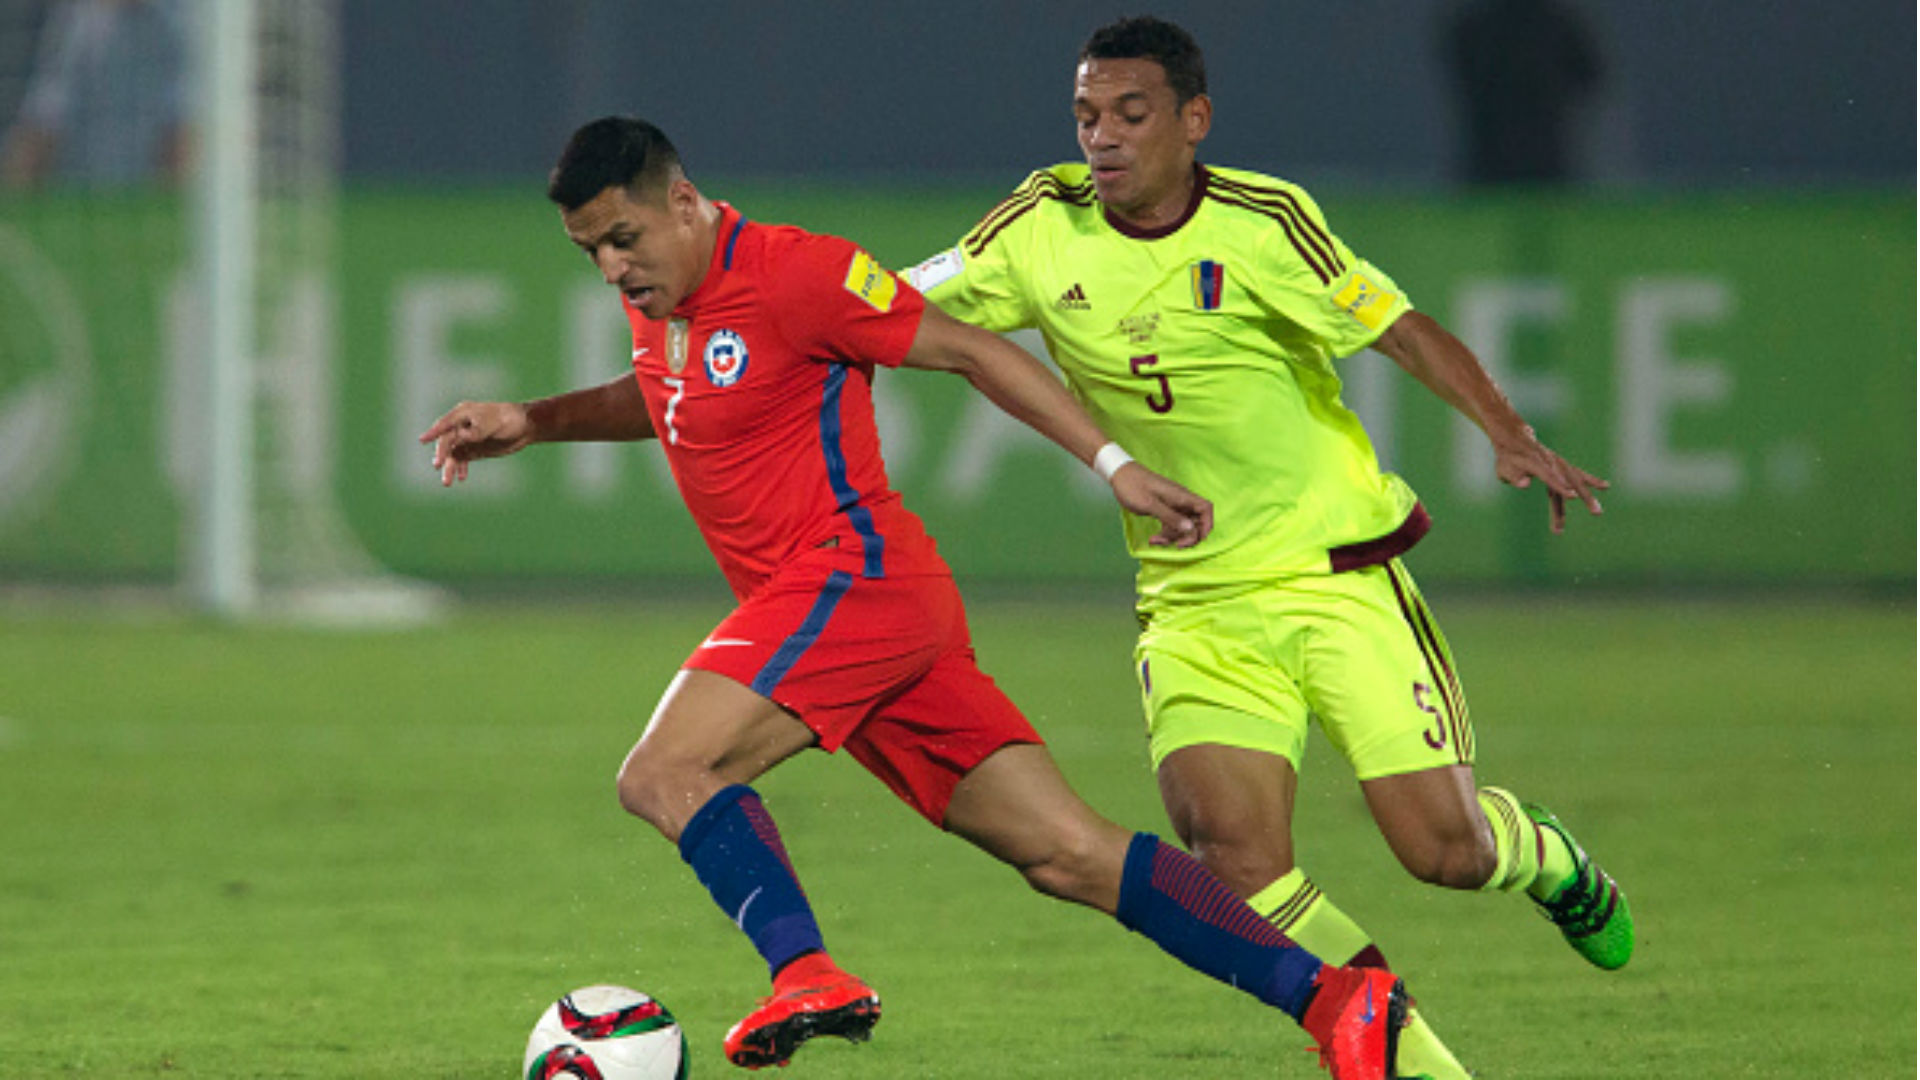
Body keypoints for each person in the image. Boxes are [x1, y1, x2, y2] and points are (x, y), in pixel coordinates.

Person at [421, 116, 1407, 1078]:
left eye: (622, 240)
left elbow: (975, 351)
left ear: (683, 201)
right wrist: (535, 420)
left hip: (854, 579)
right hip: (859, 619)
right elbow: (676, 389)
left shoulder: (797, 272)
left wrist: (1114, 465)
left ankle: (806, 972)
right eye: (590, 251)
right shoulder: (664, 298)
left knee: (662, 771)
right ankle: (1335, 1002)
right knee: (1068, 853)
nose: (611, 270)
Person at [907, 16, 1632, 1079]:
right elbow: (889, 303)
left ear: (1193, 121)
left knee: (1445, 852)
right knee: (1235, 866)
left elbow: (1398, 326)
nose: (1101, 137)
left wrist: (1505, 430)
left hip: (1335, 576)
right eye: (1086, 116)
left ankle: (1544, 857)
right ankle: (1417, 1065)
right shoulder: (1040, 222)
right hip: (1195, 597)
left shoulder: (1264, 223)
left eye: (1131, 114)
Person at [0, 0, 191, 189]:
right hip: (78, 196)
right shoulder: (77, 23)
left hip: (147, 196)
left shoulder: (173, 24)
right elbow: (43, 122)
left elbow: (180, 128)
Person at [1443, 0, 1605, 187]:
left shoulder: (1474, 26)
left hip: (1493, 149)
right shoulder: (1559, 25)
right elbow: (1590, 76)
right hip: (1540, 148)